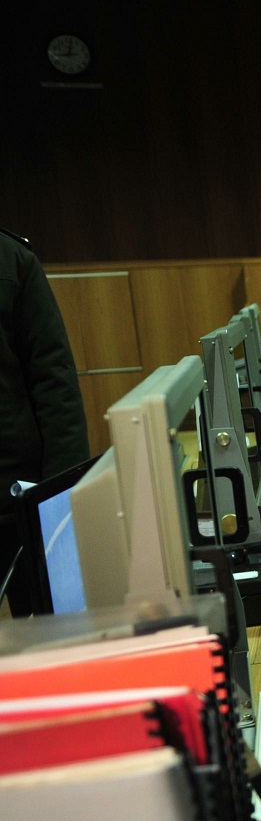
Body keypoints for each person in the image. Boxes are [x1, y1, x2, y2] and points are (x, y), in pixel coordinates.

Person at [0, 228, 90, 617]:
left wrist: (59, 500)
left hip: (17, 498)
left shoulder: (11, 261)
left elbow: (55, 386)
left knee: (47, 635)